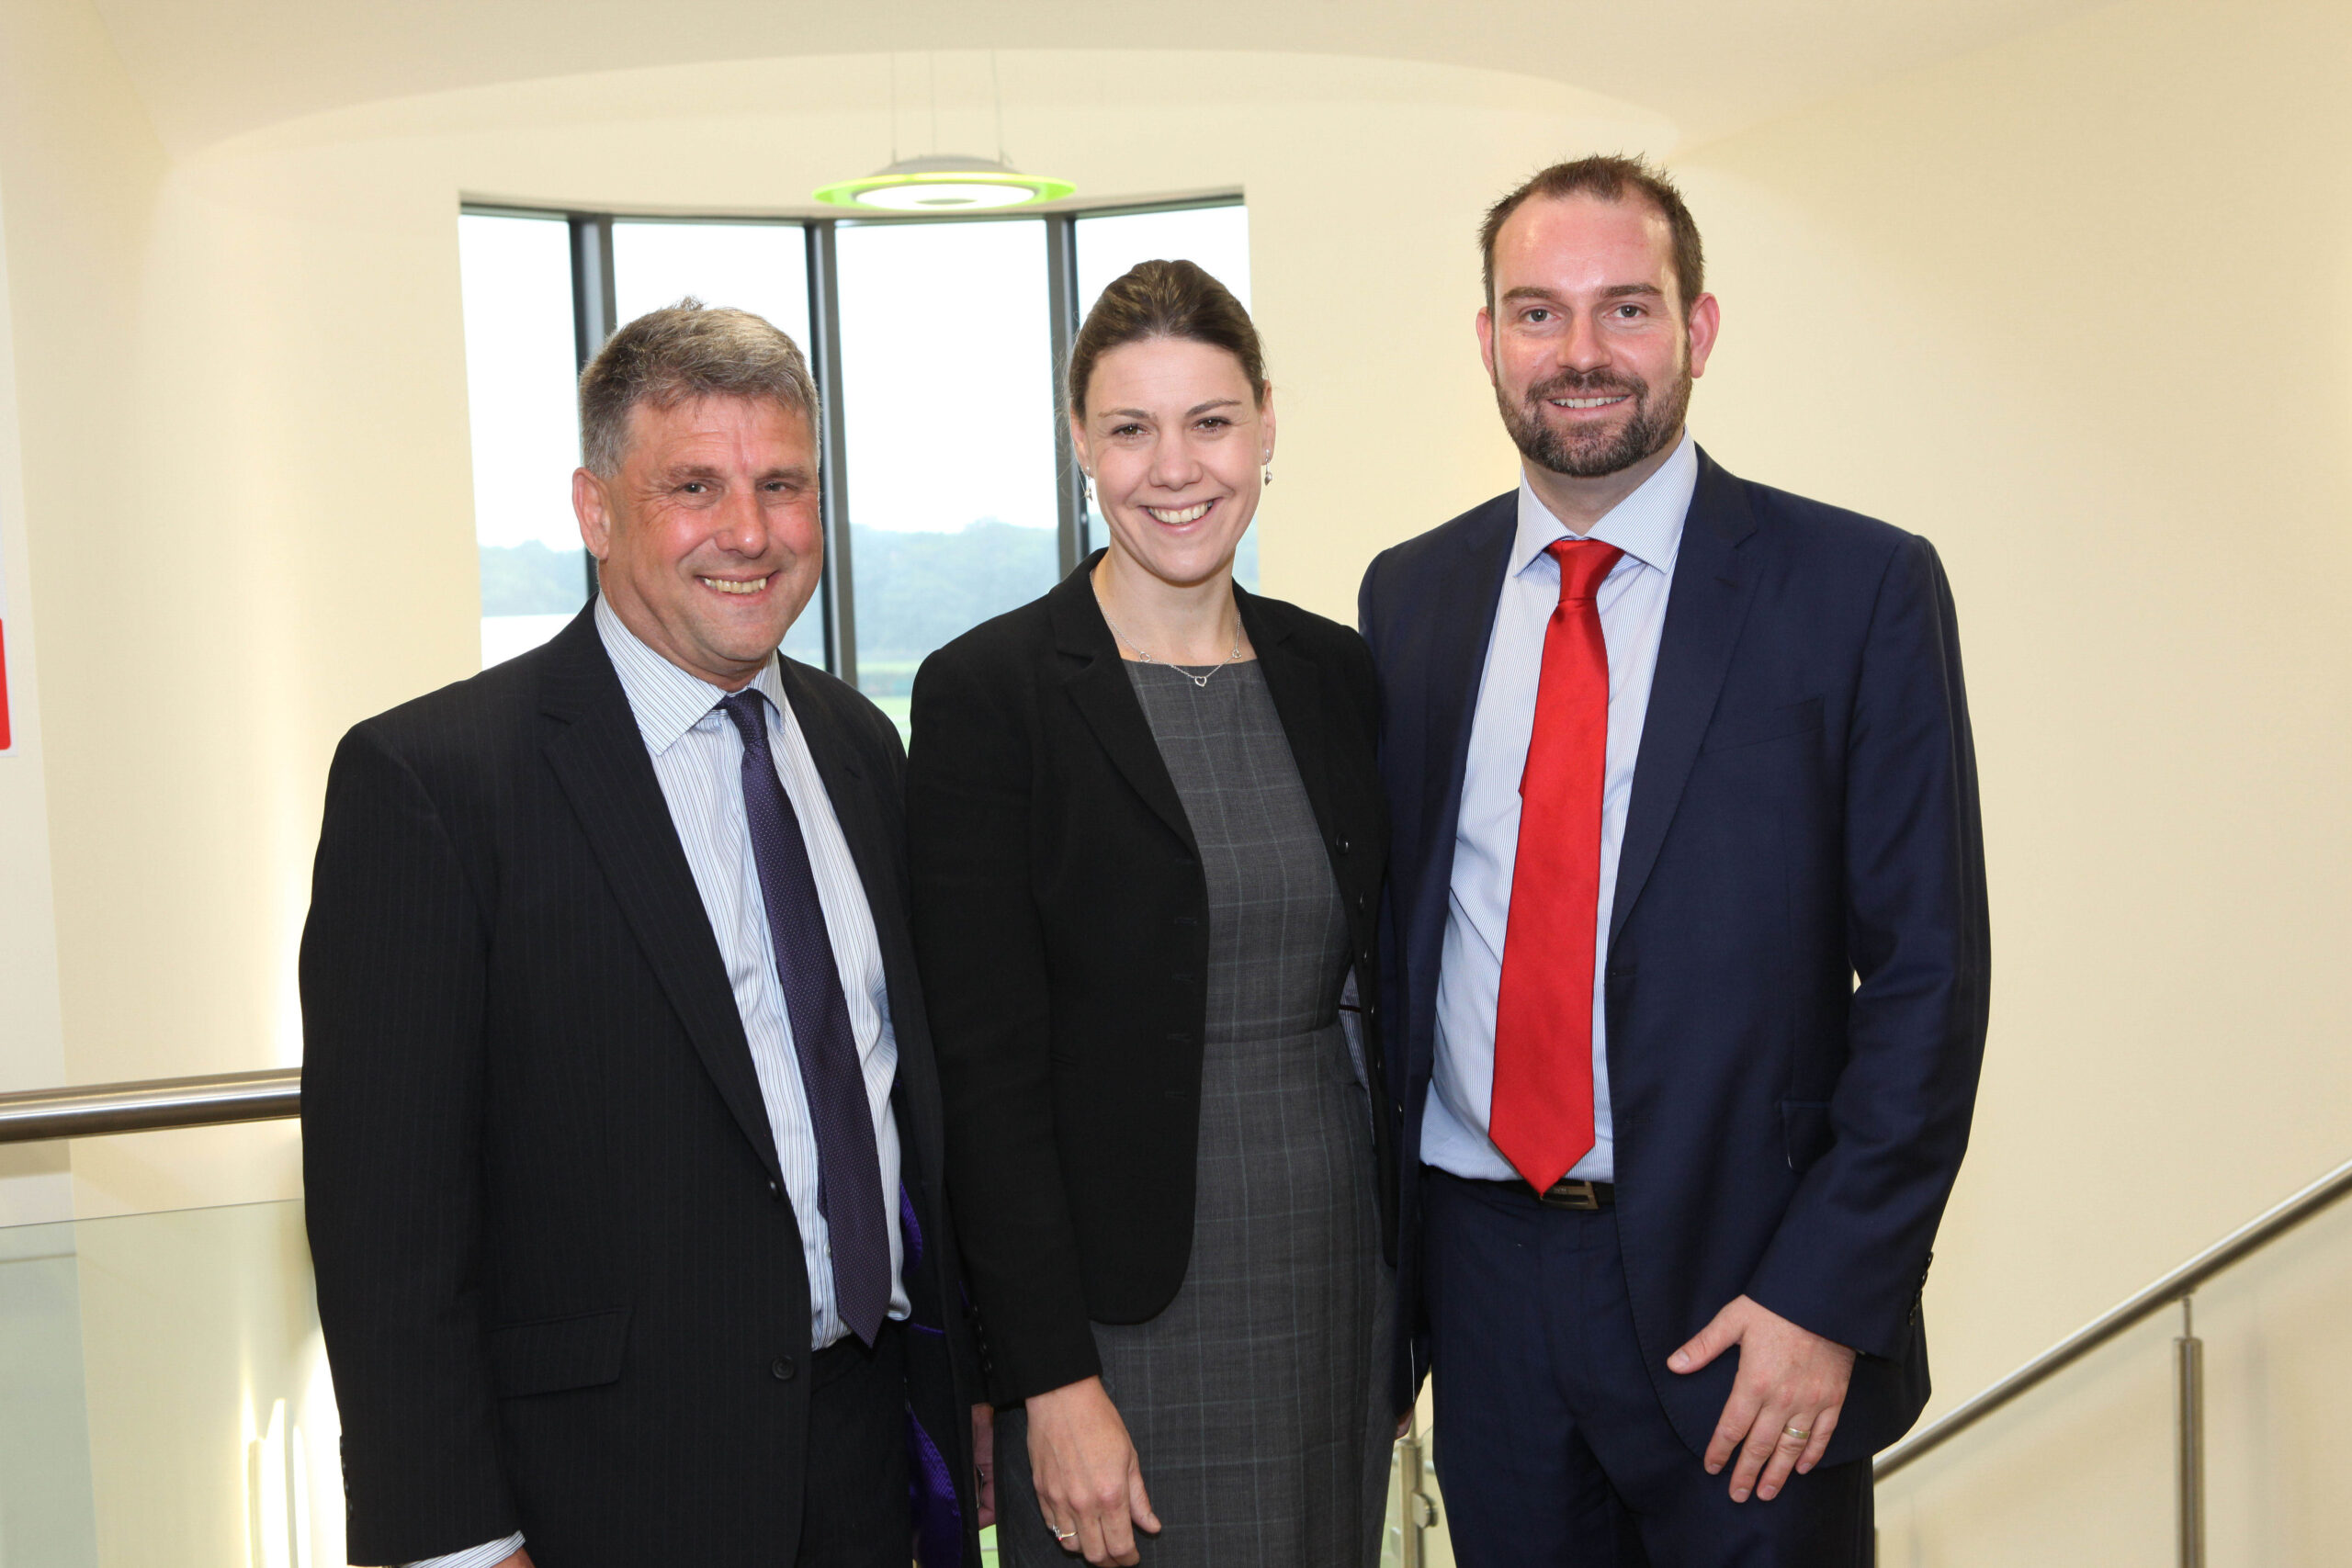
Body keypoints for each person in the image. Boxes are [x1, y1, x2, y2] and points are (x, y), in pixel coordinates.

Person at [1358, 155, 1991, 1565]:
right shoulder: (1410, 597)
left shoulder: (1859, 589)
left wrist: (1830, 1298)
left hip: (1749, 1296)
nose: (1579, 354)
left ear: (1698, 331)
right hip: (1484, 1279)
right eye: (1537, 314)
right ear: (1487, 341)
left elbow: (1927, 982)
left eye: (1625, 309)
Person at [300, 301, 984, 1568]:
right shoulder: (434, 783)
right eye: (694, 486)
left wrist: (969, 1387)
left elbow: (900, 1099)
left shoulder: (857, 746)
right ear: (595, 509)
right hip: (605, 1495)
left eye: (783, 484)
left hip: (868, 1450)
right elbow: (384, 1226)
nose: (750, 532)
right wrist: (457, 1542)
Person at [906, 260, 1396, 1568]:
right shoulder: (989, 695)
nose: (1175, 468)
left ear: (1268, 425)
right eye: (1131, 429)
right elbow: (983, 1077)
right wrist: (1048, 1383)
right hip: (1120, 1318)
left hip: (1340, 1279)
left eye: (1212, 422)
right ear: (1081, 444)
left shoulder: (1336, 673)